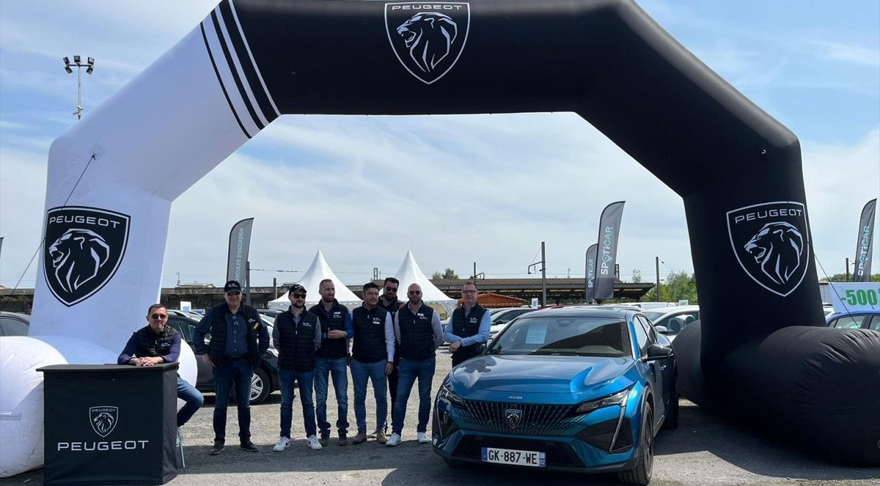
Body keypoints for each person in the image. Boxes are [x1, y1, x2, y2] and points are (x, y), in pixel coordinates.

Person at [193, 280, 269, 455]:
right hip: (222, 364)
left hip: (244, 364)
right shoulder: (216, 312)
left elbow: (263, 333)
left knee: (244, 404)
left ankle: (245, 440)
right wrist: (204, 353)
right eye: (230, 294)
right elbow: (198, 332)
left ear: (241, 295)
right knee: (221, 404)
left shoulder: (250, 312)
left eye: (236, 293)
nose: (233, 297)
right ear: (224, 296)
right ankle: (219, 441)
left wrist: (258, 353)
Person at [117, 303, 204, 434]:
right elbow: (122, 358)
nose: (159, 319)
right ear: (148, 318)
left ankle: (174, 427)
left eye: (162, 316)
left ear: (166, 318)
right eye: (155, 316)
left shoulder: (174, 335)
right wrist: (135, 360)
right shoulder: (138, 335)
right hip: (145, 380)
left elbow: (174, 356)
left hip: (170, 378)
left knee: (197, 398)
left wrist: (155, 359)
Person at [387, 283, 444, 446]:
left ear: (421, 294)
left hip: (426, 361)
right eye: (411, 292)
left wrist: (427, 349)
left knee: (424, 397)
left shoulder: (430, 313)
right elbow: (398, 336)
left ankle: (421, 431)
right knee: (400, 397)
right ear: (407, 294)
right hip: (406, 361)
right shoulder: (400, 313)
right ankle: (396, 432)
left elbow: (439, 336)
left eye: (417, 292)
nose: (414, 294)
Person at [271, 284, 324, 452]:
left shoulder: (313, 319)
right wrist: (286, 354)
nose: (300, 298)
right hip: (286, 366)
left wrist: (306, 355)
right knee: (286, 402)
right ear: (290, 297)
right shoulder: (281, 319)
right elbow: (277, 341)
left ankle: (312, 436)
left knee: (308, 402)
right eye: (296, 295)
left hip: (306, 367)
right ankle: (284, 437)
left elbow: (317, 342)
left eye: (302, 296)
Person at [349, 282, 395, 445]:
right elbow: (348, 335)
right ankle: (361, 431)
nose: (374, 297)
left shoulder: (385, 314)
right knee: (359, 397)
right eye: (370, 294)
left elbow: (390, 338)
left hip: (379, 362)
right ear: (364, 295)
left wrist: (390, 359)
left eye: (376, 294)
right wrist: (348, 355)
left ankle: (381, 430)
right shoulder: (354, 313)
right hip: (359, 362)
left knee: (381, 397)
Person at [309, 278, 353, 446]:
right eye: (327, 289)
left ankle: (342, 430)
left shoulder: (342, 310)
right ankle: (324, 431)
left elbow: (351, 330)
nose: (330, 292)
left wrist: (343, 334)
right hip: (320, 358)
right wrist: (325, 336)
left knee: (342, 397)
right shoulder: (313, 311)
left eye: (332, 289)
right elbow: (310, 334)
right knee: (321, 398)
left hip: (339, 358)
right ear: (320, 291)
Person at [377, 277, 403, 436]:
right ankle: (381, 426)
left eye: (394, 289)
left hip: (396, 357)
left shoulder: (401, 307)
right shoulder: (374, 304)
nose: (391, 292)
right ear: (383, 288)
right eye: (389, 288)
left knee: (395, 394)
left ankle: (395, 427)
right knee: (380, 395)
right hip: (377, 356)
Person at [444, 282, 491, 367]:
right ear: (462, 294)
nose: (469, 294)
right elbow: (446, 334)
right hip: (458, 358)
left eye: (472, 291)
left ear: (477, 294)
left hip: (476, 358)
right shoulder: (456, 312)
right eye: (466, 292)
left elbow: (483, 336)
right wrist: (459, 341)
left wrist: (461, 342)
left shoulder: (484, 313)